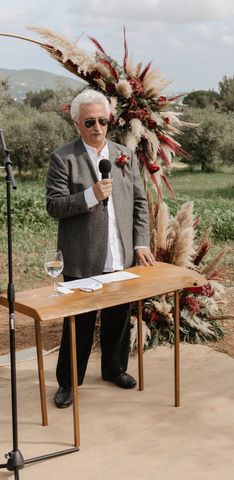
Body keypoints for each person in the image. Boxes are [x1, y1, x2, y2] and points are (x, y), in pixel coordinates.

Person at [45, 89, 156, 408]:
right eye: (90, 121)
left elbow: (138, 201)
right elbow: (53, 206)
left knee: (118, 319)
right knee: (78, 324)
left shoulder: (124, 154)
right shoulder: (63, 158)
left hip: (120, 254)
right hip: (82, 256)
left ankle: (114, 369)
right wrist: (90, 195)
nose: (97, 127)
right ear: (77, 124)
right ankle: (68, 382)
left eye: (103, 121)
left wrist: (140, 241)